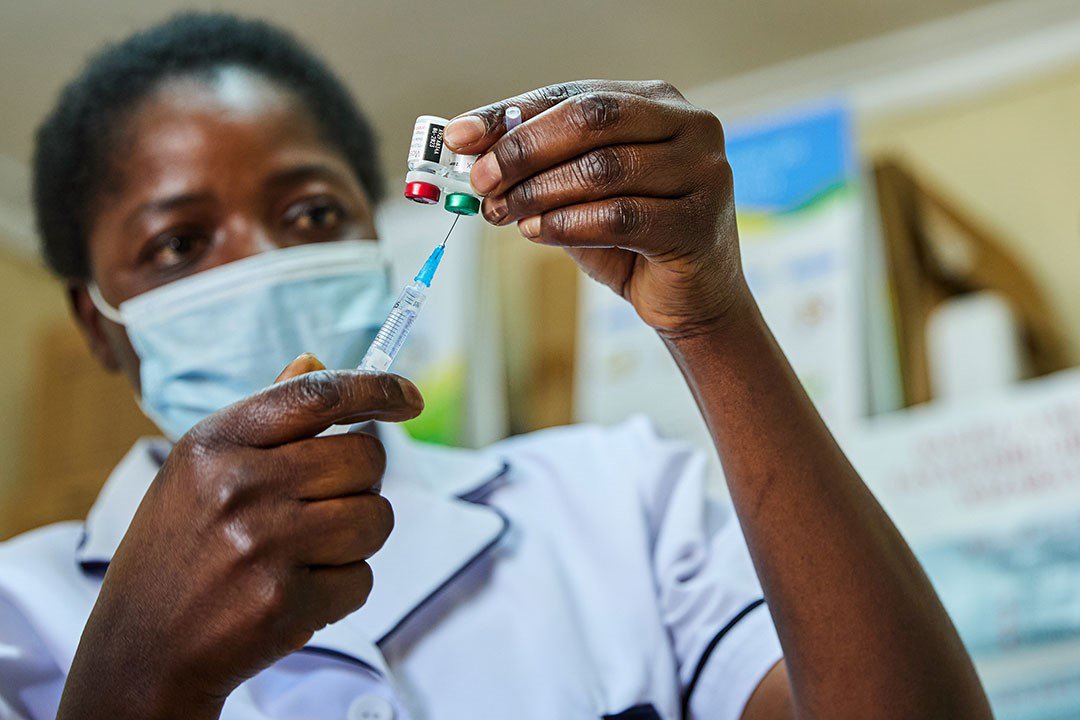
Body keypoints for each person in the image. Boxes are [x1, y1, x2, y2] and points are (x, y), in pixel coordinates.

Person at [0, 12, 992, 720]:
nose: (266, 261)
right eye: (180, 244)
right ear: (99, 325)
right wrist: (136, 680)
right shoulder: (23, 616)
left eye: (312, 216)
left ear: (381, 240)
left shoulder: (618, 503)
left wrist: (712, 315)